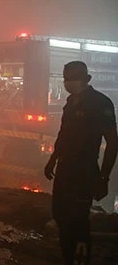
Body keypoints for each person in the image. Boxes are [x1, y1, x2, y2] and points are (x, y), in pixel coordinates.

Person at [43, 61, 118, 265]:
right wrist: (52, 160)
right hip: (65, 171)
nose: (68, 82)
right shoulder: (70, 102)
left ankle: (79, 261)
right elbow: (63, 134)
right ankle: (68, 257)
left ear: (86, 79)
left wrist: (103, 178)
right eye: (66, 78)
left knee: (78, 224)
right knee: (60, 215)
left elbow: (112, 142)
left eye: (73, 78)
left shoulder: (100, 103)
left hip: (84, 173)